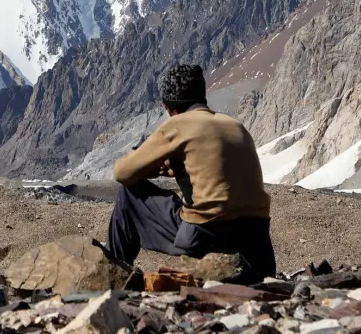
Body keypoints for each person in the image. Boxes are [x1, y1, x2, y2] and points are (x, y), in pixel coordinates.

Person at [104, 63, 276, 283]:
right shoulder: (235, 126)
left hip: (207, 236)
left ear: (169, 109)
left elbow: (122, 172)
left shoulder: (178, 124)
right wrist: (176, 167)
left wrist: (152, 167)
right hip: (258, 245)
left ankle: (114, 277)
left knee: (128, 194)